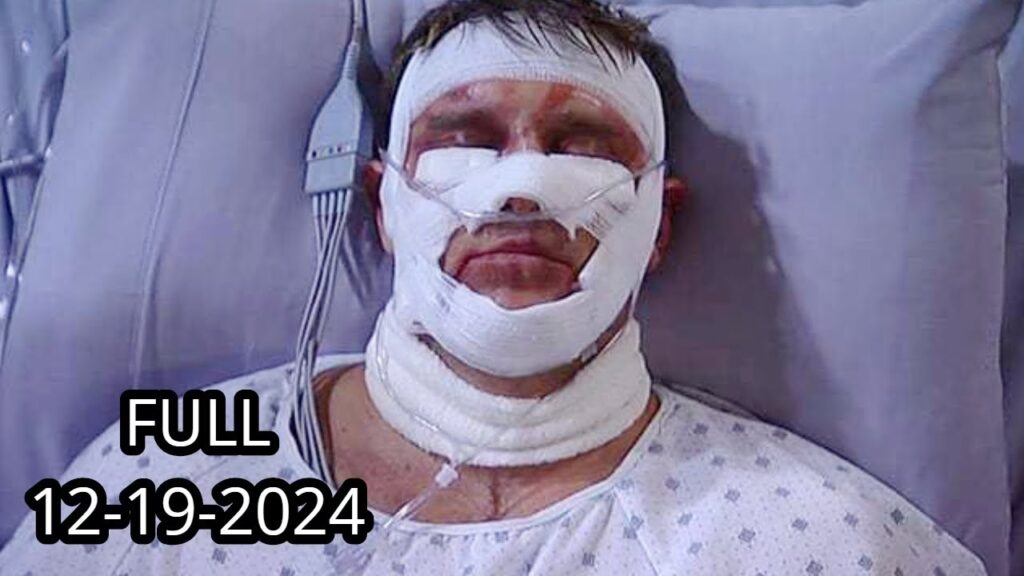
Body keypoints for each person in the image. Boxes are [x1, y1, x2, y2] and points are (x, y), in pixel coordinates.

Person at [0, 1, 986, 574]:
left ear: (660, 225)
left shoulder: (816, 540)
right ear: (383, 204)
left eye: (581, 145)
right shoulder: (162, 484)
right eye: (465, 139)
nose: (520, 190)